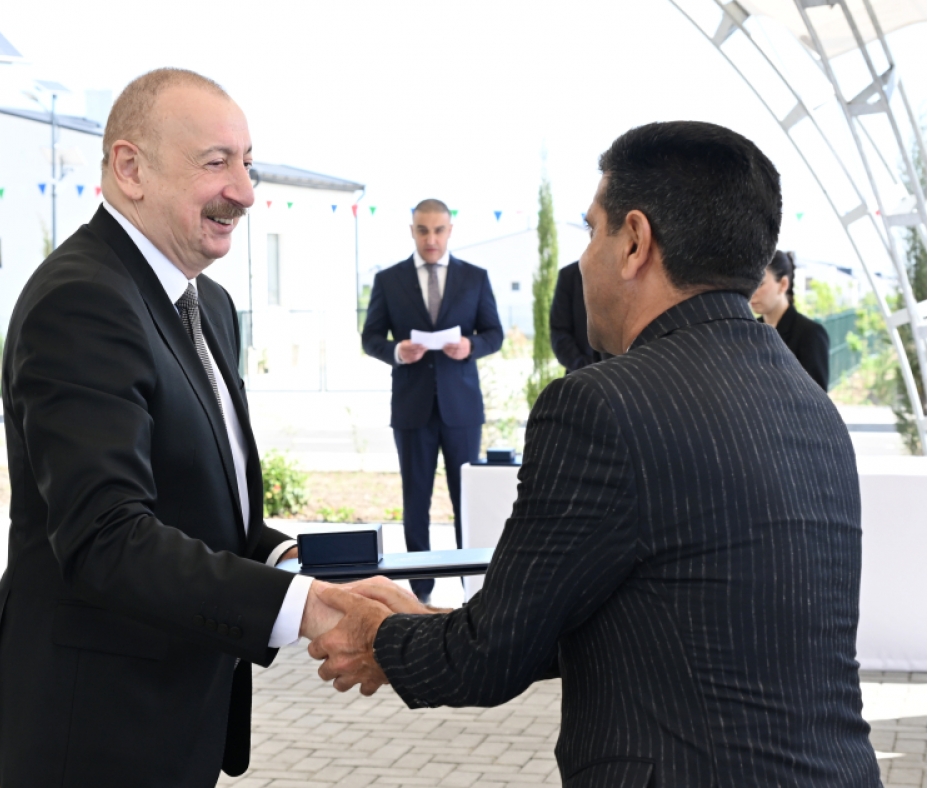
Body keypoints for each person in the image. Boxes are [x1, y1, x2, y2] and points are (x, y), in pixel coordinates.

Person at [310, 121, 880, 787]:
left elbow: (485, 660)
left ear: (634, 241)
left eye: (591, 230)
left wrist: (376, 635)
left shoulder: (602, 405)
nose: (582, 260)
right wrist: (440, 621)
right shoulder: (811, 405)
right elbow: (667, 612)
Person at [0, 69, 343, 788]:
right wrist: (310, 611)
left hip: (175, 720)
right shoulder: (83, 300)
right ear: (130, 168)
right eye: (216, 162)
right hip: (94, 734)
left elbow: (192, 503)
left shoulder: (211, 306)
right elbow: (107, 538)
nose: (244, 190)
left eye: (247, 163)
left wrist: (294, 562)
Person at [361, 200, 503, 603]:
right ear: (412, 231)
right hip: (412, 407)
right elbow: (370, 338)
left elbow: (494, 334)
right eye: (423, 230)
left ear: (450, 231)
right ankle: (419, 594)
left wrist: (471, 346)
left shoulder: (475, 277)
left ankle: (472, 592)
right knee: (416, 501)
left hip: (462, 408)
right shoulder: (389, 280)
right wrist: (396, 351)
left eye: (438, 230)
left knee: (466, 502)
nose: (431, 238)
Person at [751, 249, 830, 390]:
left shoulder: (810, 334)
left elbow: (818, 398)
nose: (751, 292)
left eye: (760, 284)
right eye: (749, 283)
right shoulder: (750, 330)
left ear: (783, 284)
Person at [549, 260, 609, 371]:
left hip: (624, 374)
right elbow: (559, 332)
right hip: (581, 373)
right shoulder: (569, 276)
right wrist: (584, 368)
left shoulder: (630, 273)